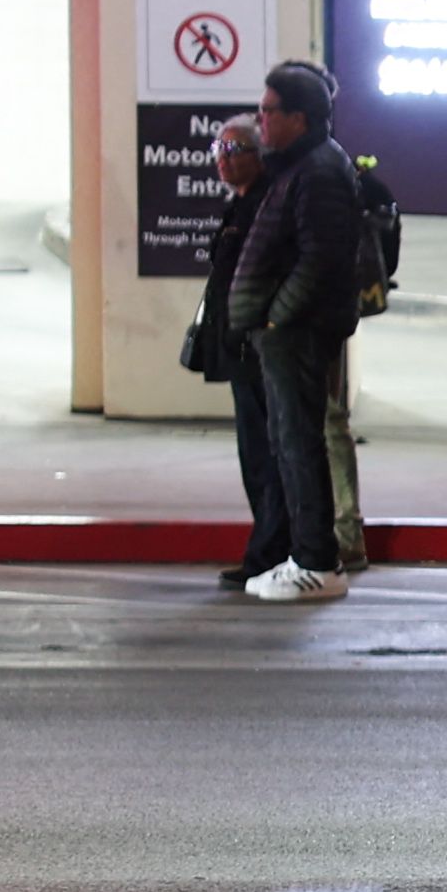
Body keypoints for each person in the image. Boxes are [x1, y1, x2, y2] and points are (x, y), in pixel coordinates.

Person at [224, 60, 364, 602]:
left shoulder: (319, 170)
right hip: (286, 331)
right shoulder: (299, 166)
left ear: (298, 118)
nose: (260, 120)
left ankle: (316, 562)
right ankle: (304, 556)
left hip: (298, 332)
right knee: (288, 442)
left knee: (301, 443)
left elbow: (320, 258)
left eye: (268, 110)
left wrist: (277, 315)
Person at [192, 120, 282, 591]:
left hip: (259, 349)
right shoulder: (240, 204)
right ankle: (265, 548)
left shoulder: (266, 206)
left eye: (234, 148)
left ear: (259, 155)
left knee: (267, 456)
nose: (223, 157)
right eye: (218, 147)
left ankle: (270, 553)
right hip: (238, 349)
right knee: (254, 455)